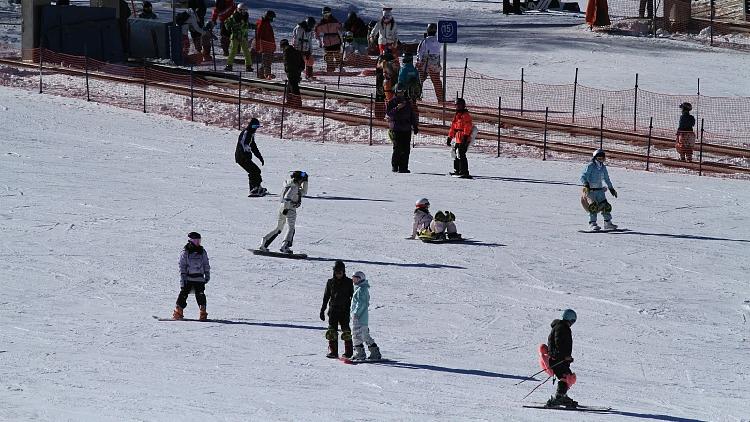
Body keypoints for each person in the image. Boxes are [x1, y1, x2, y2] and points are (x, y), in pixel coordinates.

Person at [259, 171, 309, 254]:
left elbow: (303, 192)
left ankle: (264, 242)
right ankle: (285, 246)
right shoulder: (294, 187)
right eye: (302, 180)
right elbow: (287, 197)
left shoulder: (289, 185)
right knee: (291, 228)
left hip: (283, 208)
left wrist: (306, 182)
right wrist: (287, 208)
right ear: (299, 179)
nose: (302, 182)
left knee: (279, 228)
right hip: (289, 208)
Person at [539, 309, 578, 407]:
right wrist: (563, 356)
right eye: (573, 321)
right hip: (557, 359)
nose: (572, 323)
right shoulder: (561, 328)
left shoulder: (560, 327)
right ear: (570, 319)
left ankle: (562, 396)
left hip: (559, 358)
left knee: (567, 376)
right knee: (566, 377)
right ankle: (559, 397)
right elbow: (559, 343)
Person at [320, 260, 354, 359]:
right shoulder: (330, 282)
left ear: (344, 272)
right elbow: (326, 296)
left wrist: (353, 310)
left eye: (340, 272)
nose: (338, 274)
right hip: (333, 310)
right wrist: (322, 310)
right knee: (332, 331)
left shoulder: (348, 282)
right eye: (336, 272)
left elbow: (353, 296)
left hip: (344, 310)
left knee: (346, 331)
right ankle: (333, 352)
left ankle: (349, 352)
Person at [173, 232, 211, 321]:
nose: (197, 242)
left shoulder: (202, 251)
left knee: (200, 294)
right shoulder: (185, 252)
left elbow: (206, 263)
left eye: (199, 240)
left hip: (199, 278)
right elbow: (182, 266)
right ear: (190, 240)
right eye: (195, 240)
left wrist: (207, 274)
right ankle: (179, 311)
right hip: (188, 278)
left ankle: (203, 312)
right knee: (183, 294)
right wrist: (183, 278)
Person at [580, 149, 618, 231]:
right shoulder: (590, 166)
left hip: (600, 190)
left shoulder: (603, 167)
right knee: (593, 206)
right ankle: (592, 223)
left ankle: (608, 223)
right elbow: (583, 176)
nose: (601, 159)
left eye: (602, 158)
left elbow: (607, 178)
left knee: (605, 206)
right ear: (595, 158)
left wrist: (611, 188)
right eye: (599, 158)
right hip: (590, 190)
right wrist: (586, 185)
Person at [386, 84, 418, 174]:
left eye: (403, 91)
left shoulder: (407, 102)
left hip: (406, 129)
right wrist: (397, 108)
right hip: (396, 128)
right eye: (399, 91)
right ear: (396, 91)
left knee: (406, 149)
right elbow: (389, 114)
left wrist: (415, 125)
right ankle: (395, 165)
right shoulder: (392, 102)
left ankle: (404, 167)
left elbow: (412, 114)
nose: (401, 93)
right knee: (398, 148)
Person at [350, 271, 382, 361]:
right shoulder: (360, 289)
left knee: (356, 335)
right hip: (362, 318)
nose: (353, 280)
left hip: (359, 318)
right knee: (364, 335)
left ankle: (360, 353)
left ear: (360, 279)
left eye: (355, 278)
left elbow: (361, 303)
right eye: (353, 278)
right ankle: (374, 352)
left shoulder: (361, 289)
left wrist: (355, 313)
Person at [235, 118, 266, 196]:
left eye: (257, 126)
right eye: (254, 126)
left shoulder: (250, 134)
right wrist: (245, 156)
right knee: (254, 171)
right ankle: (253, 189)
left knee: (256, 171)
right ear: (251, 125)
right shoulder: (246, 133)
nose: (255, 128)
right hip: (241, 157)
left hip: (245, 157)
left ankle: (257, 187)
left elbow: (253, 147)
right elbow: (242, 144)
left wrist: (260, 157)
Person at [447, 98, 474, 179]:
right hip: (457, 137)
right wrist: (450, 137)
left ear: (463, 105)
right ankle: (457, 170)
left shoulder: (465, 115)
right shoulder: (457, 115)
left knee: (461, 154)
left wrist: (466, 137)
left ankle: (464, 172)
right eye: (457, 105)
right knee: (455, 154)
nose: (458, 107)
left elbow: (467, 126)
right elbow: (453, 127)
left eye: (459, 105)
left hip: (463, 137)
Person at [416, 23, 444, 102]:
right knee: (436, 81)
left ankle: (417, 96)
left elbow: (420, 52)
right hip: (435, 63)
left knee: (419, 80)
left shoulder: (425, 41)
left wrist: (419, 61)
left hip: (425, 62)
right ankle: (441, 99)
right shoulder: (439, 40)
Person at [223, 4, 252, 72]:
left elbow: (246, 25)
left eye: (245, 10)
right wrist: (230, 28)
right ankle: (229, 65)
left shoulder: (245, 16)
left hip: (243, 36)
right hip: (235, 36)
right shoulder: (234, 16)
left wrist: (252, 26)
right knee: (233, 51)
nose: (244, 12)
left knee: (246, 51)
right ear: (239, 10)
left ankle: (248, 66)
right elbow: (226, 22)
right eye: (243, 10)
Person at [315, 7, 343, 73]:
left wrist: (343, 36)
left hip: (336, 40)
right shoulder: (321, 23)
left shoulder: (335, 21)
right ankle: (330, 70)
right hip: (327, 42)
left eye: (328, 13)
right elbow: (316, 33)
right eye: (324, 13)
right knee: (329, 56)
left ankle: (341, 68)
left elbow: (341, 29)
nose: (326, 15)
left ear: (330, 13)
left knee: (337, 54)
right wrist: (319, 41)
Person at [279, 39, 305, 108]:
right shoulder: (296, 51)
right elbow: (302, 62)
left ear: (282, 46)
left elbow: (286, 63)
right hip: (297, 71)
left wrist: (287, 71)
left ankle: (297, 103)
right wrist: (300, 69)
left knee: (294, 87)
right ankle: (290, 101)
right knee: (290, 86)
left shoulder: (286, 52)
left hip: (291, 72)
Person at [255, 10, 276, 79]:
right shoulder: (262, 23)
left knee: (266, 61)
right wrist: (258, 46)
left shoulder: (266, 23)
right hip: (265, 45)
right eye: (272, 18)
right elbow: (258, 35)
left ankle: (260, 75)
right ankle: (267, 75)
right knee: (267, 60)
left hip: (268, 45)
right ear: (268, 17)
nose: (272, 19)